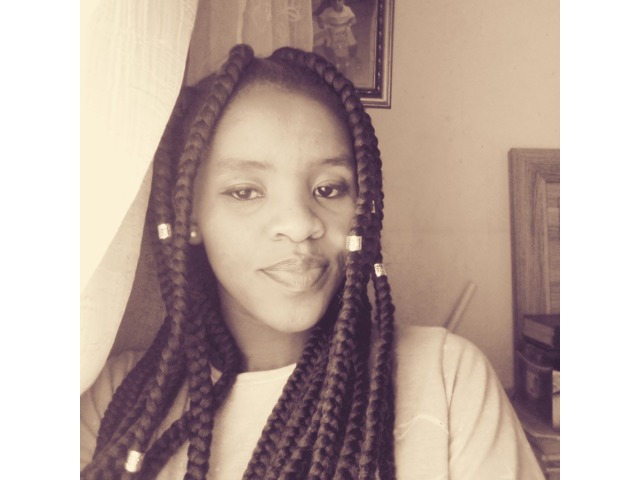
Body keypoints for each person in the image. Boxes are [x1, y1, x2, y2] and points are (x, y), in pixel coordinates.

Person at [80, 44, 545, 479]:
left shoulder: (447, 378)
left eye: (329, 188)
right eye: (246, 192)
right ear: (190, 215)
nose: (301, 224)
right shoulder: (118, 399)